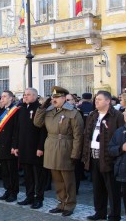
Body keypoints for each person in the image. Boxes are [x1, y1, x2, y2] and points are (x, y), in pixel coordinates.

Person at [34, 86, 84, 217]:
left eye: (57, 97)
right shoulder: (49, 111)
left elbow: (78, 136)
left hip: (65, 147)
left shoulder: (73, 113)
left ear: (64, 98)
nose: (53, 99)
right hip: (51, 146)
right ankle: (61, 203)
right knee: (57, 179)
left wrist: (75, 154)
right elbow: (37, 123)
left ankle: (70, 204)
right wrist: (41, 108)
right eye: (52, 97)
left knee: (68, 179)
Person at [82, 90, 124, 221]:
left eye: (99, 99)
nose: (96, 101)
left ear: (108, 101)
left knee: (112, 189)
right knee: (97, 188)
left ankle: (114, 215)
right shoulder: (93, 115)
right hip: (93, 155)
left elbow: (121, 137)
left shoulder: (117, 116)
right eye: (96, 99)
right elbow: (86, 135)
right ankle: (99, 212)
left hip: (109, 157)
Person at [13, 88, 48, 209]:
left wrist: (40, 147)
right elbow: (18, 129)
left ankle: (39, 198)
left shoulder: (40, 109)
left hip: (35, 148)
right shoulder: (22, 109)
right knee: (27, 175)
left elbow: (43, 130)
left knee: (38, 175)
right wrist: (16, 146)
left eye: (28, 95)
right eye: (24, 95)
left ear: (35, 96)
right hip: (24, 147)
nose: (25, 97)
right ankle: (29, 196)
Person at [0, 90, 20, 202]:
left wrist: (14, 146)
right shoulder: (1, 111)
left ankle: (14, 192)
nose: (2, 99)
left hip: (10, 145)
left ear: (11, 98)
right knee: (4, 171)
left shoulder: (15, 111)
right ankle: (7, 190)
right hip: (1, 145)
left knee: (12, 171)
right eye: (2, 97)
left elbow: (17, 130)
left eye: (5, 97)